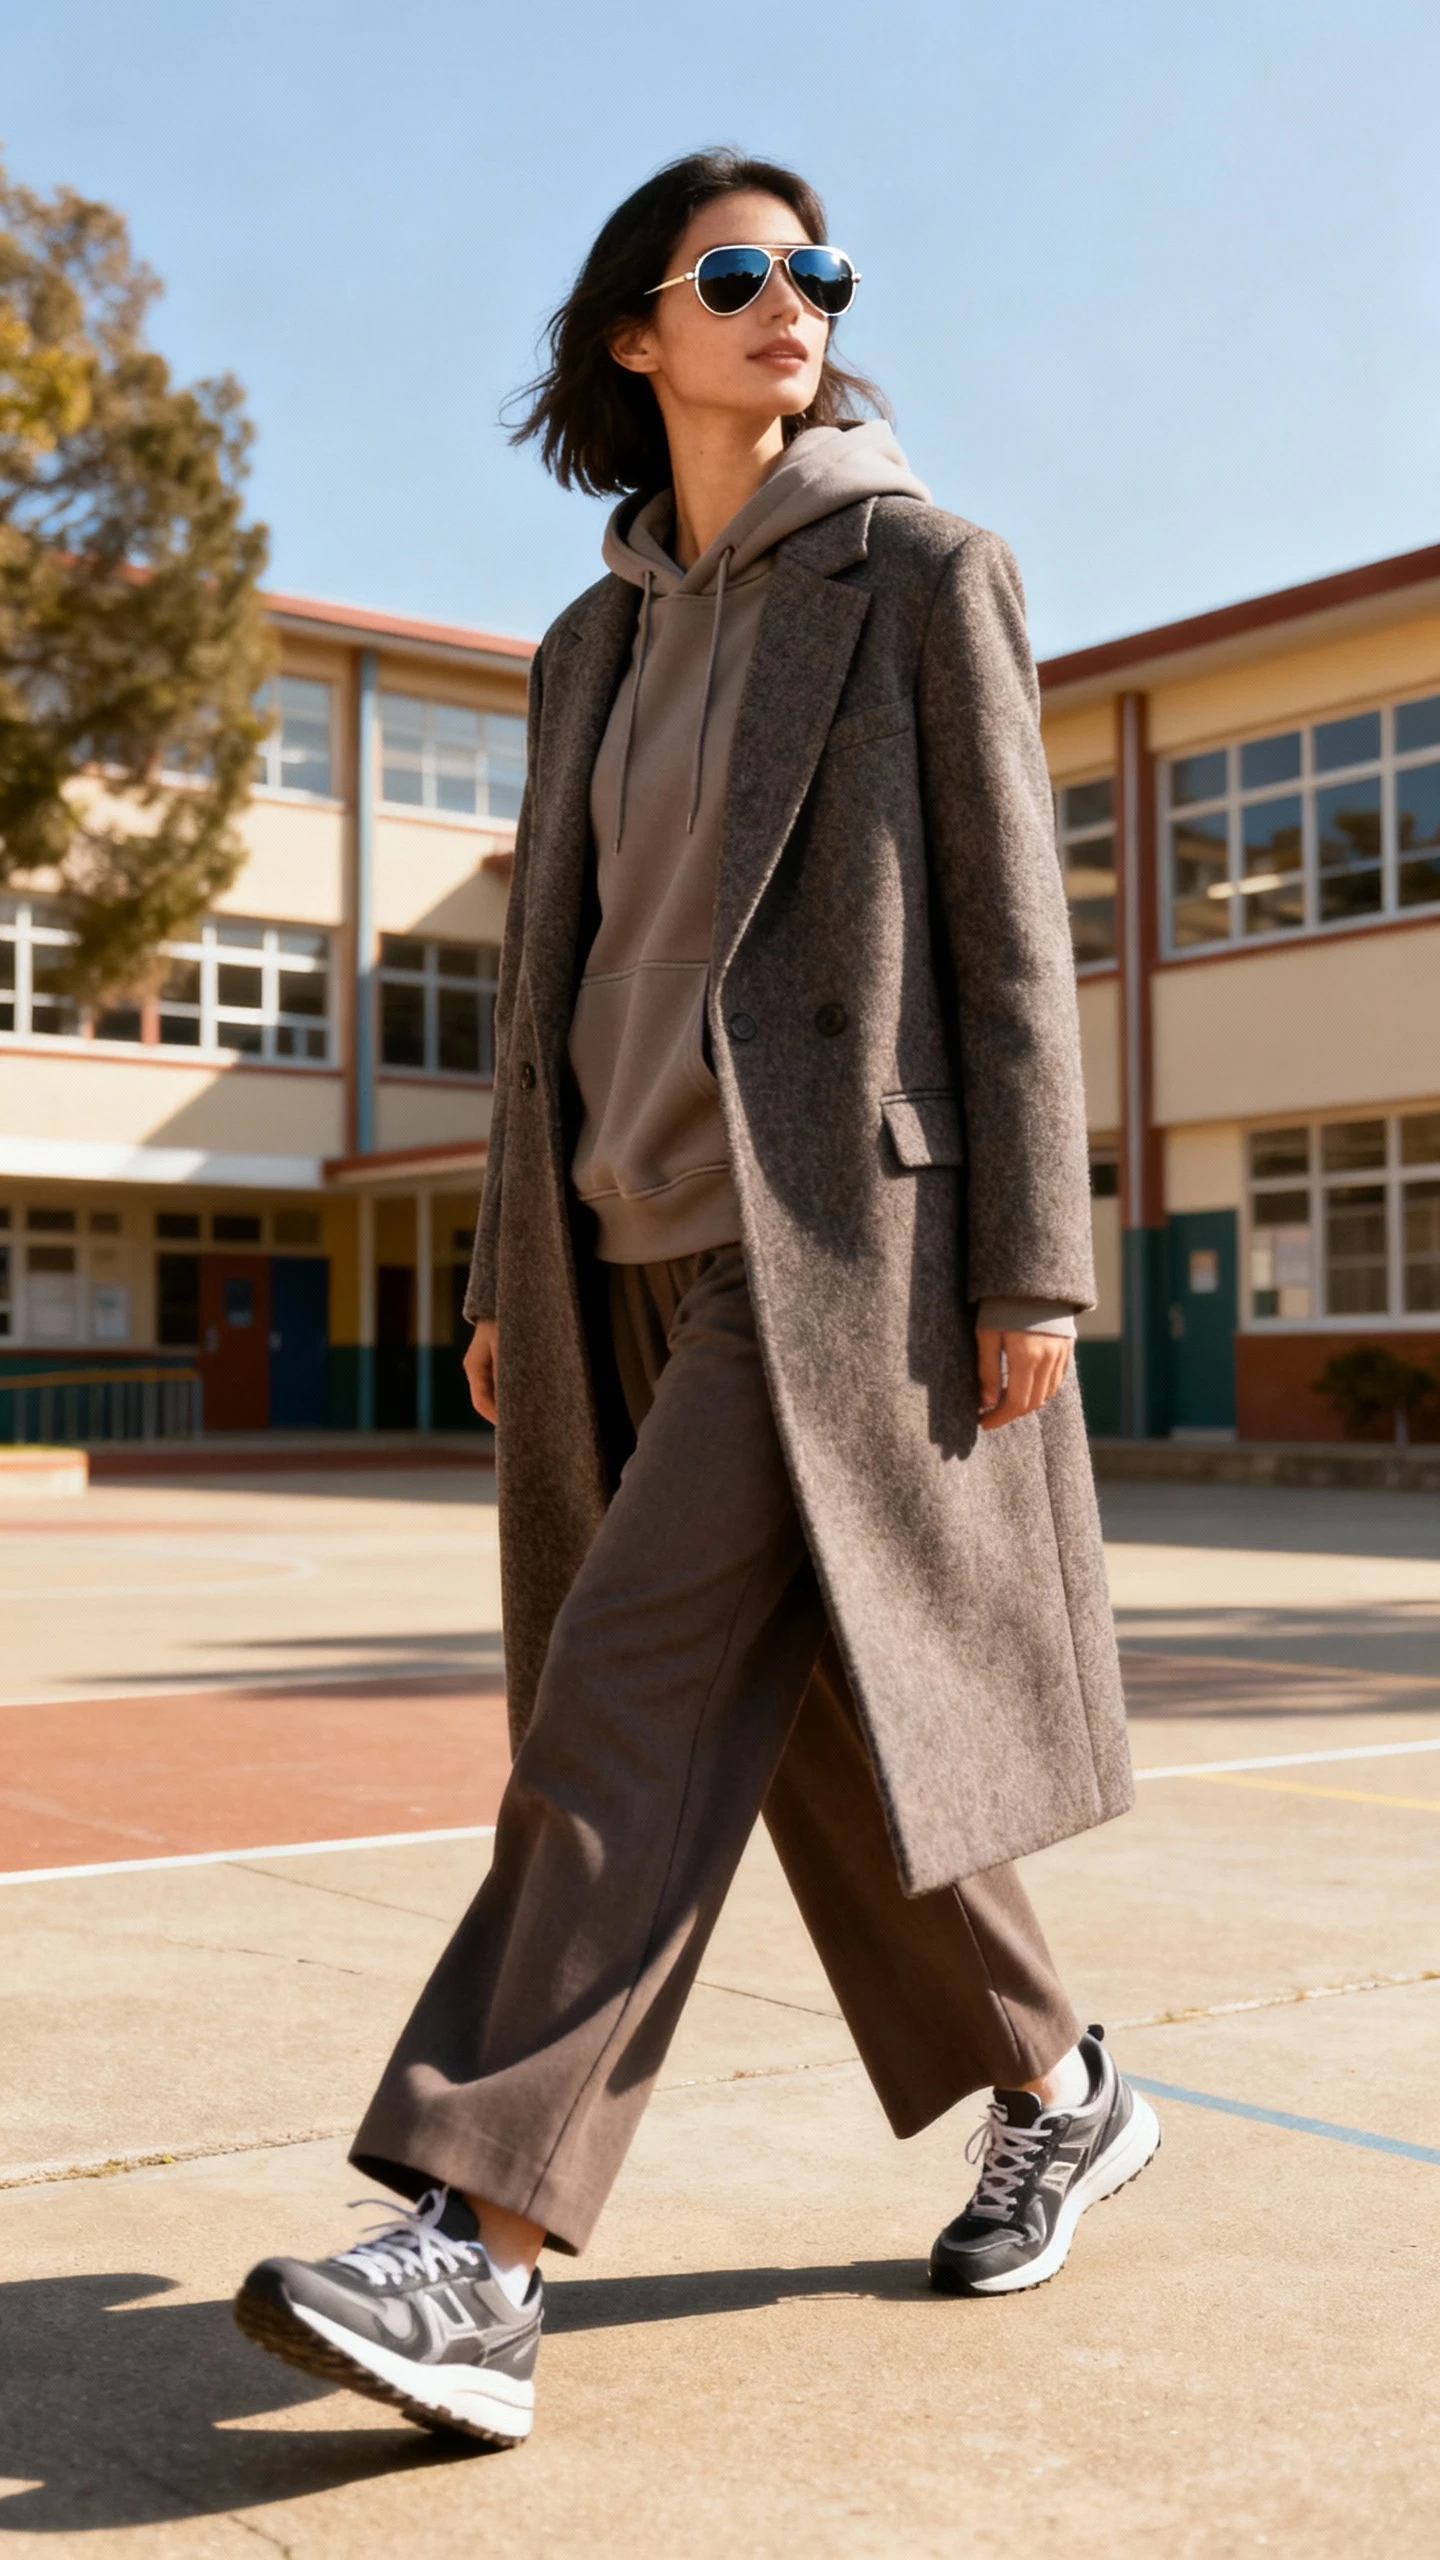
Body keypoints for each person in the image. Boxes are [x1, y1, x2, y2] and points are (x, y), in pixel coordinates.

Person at [235, 147, 1160, 2448]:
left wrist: (1034, 1253)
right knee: (830, 1730)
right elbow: (554, 983)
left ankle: (475, 2240)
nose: (792, 304)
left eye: (817, 274)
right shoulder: (590, 645)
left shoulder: (920, 565)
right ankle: (1059, 2077)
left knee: (617, 1713)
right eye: (736, 275)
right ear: (633, 336)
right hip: (613, 1249)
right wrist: (497, 1267)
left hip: (835, 1255)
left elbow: (1007, 937)